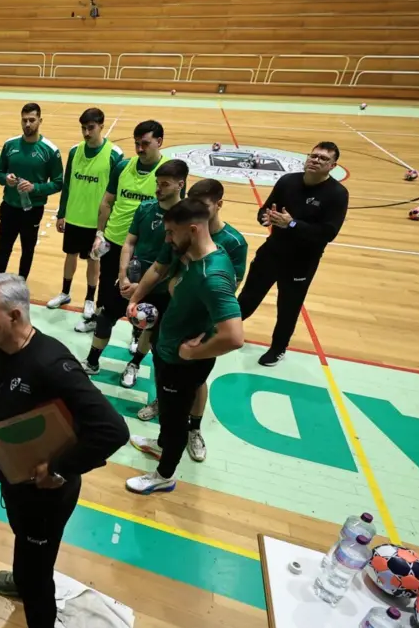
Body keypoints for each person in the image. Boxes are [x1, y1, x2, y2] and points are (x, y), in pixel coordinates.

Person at [0, 274, 128, 628]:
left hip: (50, 493)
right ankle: (22, 577)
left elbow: (113, 430)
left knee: (39, 572)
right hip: (16, 480)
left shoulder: (51, 363)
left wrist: (59, 468)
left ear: (14, 315)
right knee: (23, 541)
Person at [125, 199, 244, 495]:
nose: (167, 239)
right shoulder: (191, 256)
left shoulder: (212, 276)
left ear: (193, 229)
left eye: (171, 233)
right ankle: (163, 445)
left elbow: (233, 336)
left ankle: (164, 475)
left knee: (176, 420)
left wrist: (193, 352)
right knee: (167, 412)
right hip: (168, 351)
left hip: (183, 364)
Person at [238, 141, 348, 366]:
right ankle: (222, 332)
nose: (316, 160)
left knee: (288, 308)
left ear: (333, 165)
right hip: (272, 252)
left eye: (323, 158)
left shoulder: (337, 194)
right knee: (247, 298)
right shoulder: (288, 181)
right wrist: (265, 218)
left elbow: (328, 233)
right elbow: (265, 209)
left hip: (301, 263)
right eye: (314, 155)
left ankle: (278, 348)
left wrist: (293, 225)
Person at [78, 122, 170, 374]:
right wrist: (100, 233)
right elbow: (107, 201)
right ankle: (95, 352)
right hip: (117, 244)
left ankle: (135, 334)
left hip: (147, 253)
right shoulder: (122, 167)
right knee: (109, 300)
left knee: (142, 304)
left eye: (145, 144)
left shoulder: (167, 174)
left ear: (159, 142)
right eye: (136, 143)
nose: (139, 149)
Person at [101, 159, 188, 387]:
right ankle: (91, 360)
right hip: (132, 280)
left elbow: (168, 265)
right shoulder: (145, 208)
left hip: (160, 288)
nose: (158, 189)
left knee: (151, 327)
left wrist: (139, 291)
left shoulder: (186, 218)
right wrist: (123, 277)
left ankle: (135, 364)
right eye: (157, 183)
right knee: (106, 315)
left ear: (181, 185)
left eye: (165, 184)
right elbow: (129, 243)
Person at [48, 107, 124, 330]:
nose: (87, 132)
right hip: (74, 217)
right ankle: (65, 293)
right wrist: (62, 213)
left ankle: (90, 299)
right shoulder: (74, 151)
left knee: (94, 260)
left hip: (97, 222)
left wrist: (107, 223)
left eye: (91, 128)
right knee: (69, 256)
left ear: (101, 126)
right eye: (83, 128)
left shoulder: (114, 155)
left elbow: (116, 193)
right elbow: (68, 184)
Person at [0, 103, 63, 279]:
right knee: (3, 247)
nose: (28, 124)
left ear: (40, 120)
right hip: (9, 207)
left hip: (33, 210)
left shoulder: (50, 151)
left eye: (32, 120)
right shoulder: (10, 145)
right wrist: (5, 179)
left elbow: (58, 183)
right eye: (24, 120)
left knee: (27, 249)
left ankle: (21, 282)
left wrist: (35, 188)